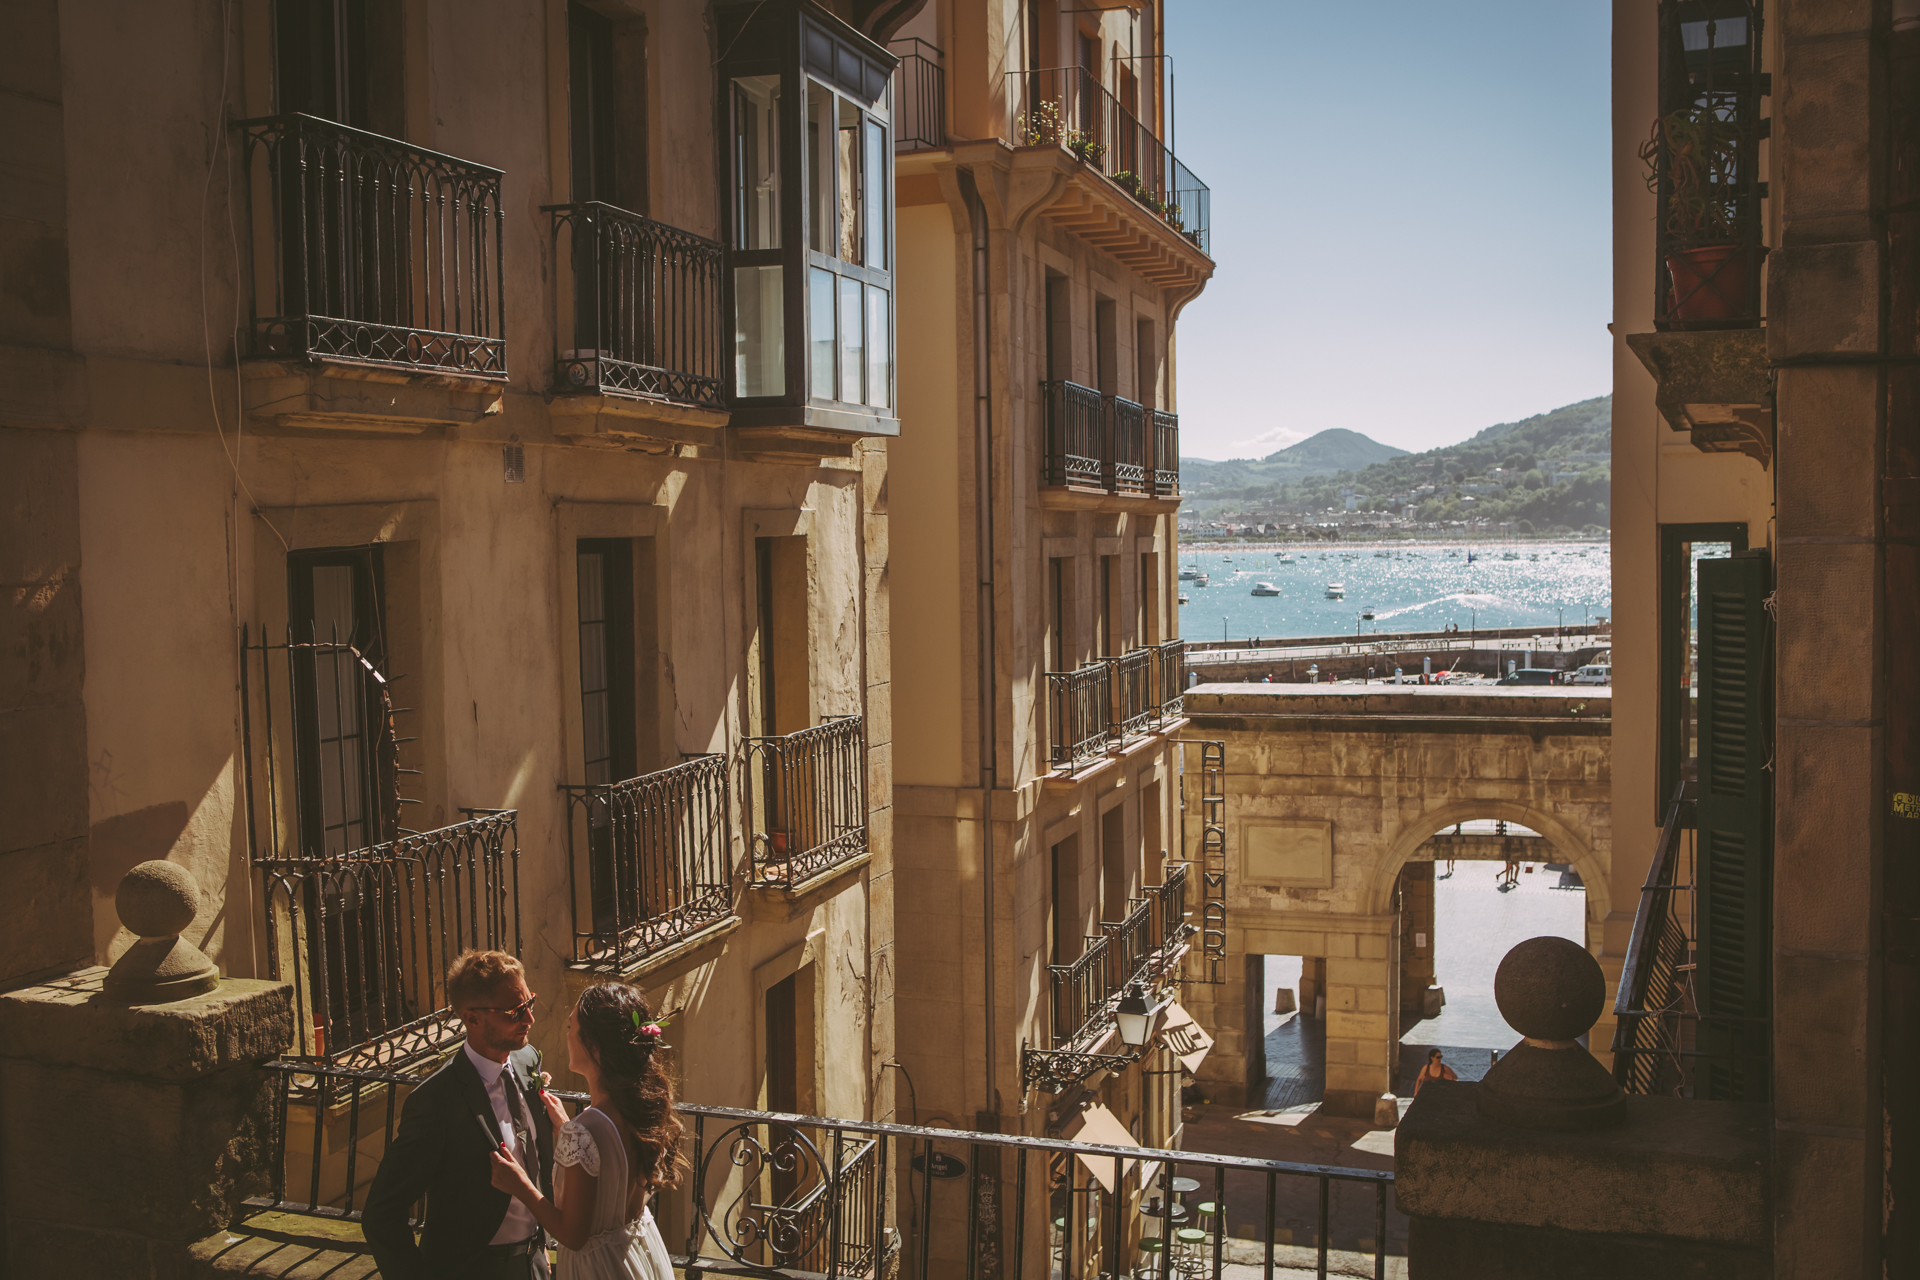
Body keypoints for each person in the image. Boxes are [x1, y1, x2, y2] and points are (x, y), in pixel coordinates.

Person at [365, 950, 557, 1279]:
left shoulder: (527, 1060)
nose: (529, 1020)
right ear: (472, 1019)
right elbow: (382, 1214)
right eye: (515, 1011)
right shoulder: (436, 1100)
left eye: (530, 1004)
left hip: (536, 1263)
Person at [486, 983, 682, 1279]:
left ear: (593, 1046)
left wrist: (520, 1184)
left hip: (600, 1269)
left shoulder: (584, 1131)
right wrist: (567, 1128)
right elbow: (611, 1165)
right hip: (639, 1255)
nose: (566, 1035)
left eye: (570, 1027)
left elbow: (573, 1235)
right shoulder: (637, 1108)